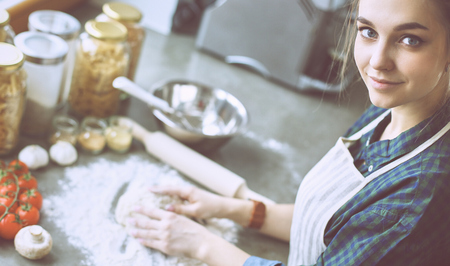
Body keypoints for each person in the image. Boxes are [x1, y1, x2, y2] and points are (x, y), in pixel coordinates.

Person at [126, 0, 450, 264]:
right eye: (368, 31)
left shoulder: (419, 193)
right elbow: (334, 224)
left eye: (410, 40)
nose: (378, 61)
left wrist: (202, 246)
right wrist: (233, 209)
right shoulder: (390, 106)